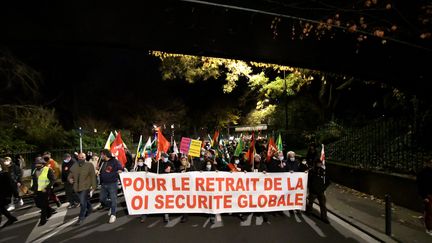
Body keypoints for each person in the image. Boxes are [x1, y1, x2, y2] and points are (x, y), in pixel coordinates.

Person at [68, 153, 97, 226]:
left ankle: (81, 218)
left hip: (85, 187)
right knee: (84, 200)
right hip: (76, 188)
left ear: (85, 157)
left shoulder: (89, 165)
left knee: (82, 202)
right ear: (77, 158)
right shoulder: (74, 165)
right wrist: (70, 179)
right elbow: (70, 175)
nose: (81, 158)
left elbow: (93, 177)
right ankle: (90, 209)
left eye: (82, 157)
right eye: (79, 157)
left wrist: (93, 187)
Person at [97, 149, 123, 224]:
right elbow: (102, 171)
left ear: (105, 154)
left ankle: (113, 214)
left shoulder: (114, 161)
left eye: (102, 154)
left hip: (112, 183)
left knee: (113, 198)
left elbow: (120, 168)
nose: (101, 156)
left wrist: (119, 171)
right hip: (103, 184)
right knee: (102, 199)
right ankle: (112, 206)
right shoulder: (102, 162)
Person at [31, 156, 56, 226]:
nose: (36, 165)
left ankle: (43, 220)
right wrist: (32, 189)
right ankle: (50, 211)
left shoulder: (48, 169)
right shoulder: (34, 171)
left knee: (43, 205)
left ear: (42, 163)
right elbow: (33, 181)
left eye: (38, 163)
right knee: (38, 204)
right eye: (36, 163)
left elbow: (53, 180)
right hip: (37, 190)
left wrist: (47, 187)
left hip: (45, 190)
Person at [306, 159, 330, 224]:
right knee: (310, 202)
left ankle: (324, 218)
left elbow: (328, 181)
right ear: (315, 164)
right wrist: (311, 188)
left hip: (321, 192)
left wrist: (323, 188)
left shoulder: (324, 171)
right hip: (313, 191)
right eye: (318, 163)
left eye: (320, 163)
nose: (319, 164)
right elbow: (308, 181)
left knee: (323, 205)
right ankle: (308, 212)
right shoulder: (311, 171)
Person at [0, 159, 18, 228]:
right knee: (1, 209)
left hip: (5, 195)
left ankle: (11, 218)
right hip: (2, 195)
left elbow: (11, 185)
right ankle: (11, 218)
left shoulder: (5, 174)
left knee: (1, 208)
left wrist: (16, 195)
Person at [176, 156, 195, 223]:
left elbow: (195, 174)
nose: (183, 161)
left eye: (184, 160)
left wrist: (189, 168)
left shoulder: (191, 167)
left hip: (189, 187)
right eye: (182, 160)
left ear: (187, 161)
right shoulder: (179, 168)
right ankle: (185, 216)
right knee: (183, 202)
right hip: (182, 188)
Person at [417, 158, 432, 236]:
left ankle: (425, 221)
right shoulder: (422, 173)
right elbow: (420, 186)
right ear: (427, 163)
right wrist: (424, 196)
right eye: (430, 162)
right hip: (428, 195)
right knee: (429, 212)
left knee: (428, 212)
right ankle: (429, 229)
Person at [134, 157, 150, 223]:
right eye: (138, 161)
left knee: (144, 199)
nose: (139, 162)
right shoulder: (136, 167)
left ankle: (144, 214)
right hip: (138, 186)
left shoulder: (146, 167)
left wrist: (147, 172)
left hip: (145, 186)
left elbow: (149, 174)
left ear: (143, 161)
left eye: (141, 161)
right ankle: (140, 211)